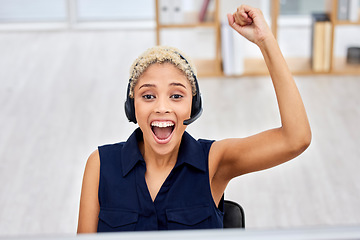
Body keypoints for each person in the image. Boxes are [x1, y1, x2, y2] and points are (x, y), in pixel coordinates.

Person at [77, 5, 311, 233]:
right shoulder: (100, 165)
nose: (162, 107)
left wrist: (265, 41)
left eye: (176, 95)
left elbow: (296, 138)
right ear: (131, 106)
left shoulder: (214, 161)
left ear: (193, 105)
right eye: (148, 95)